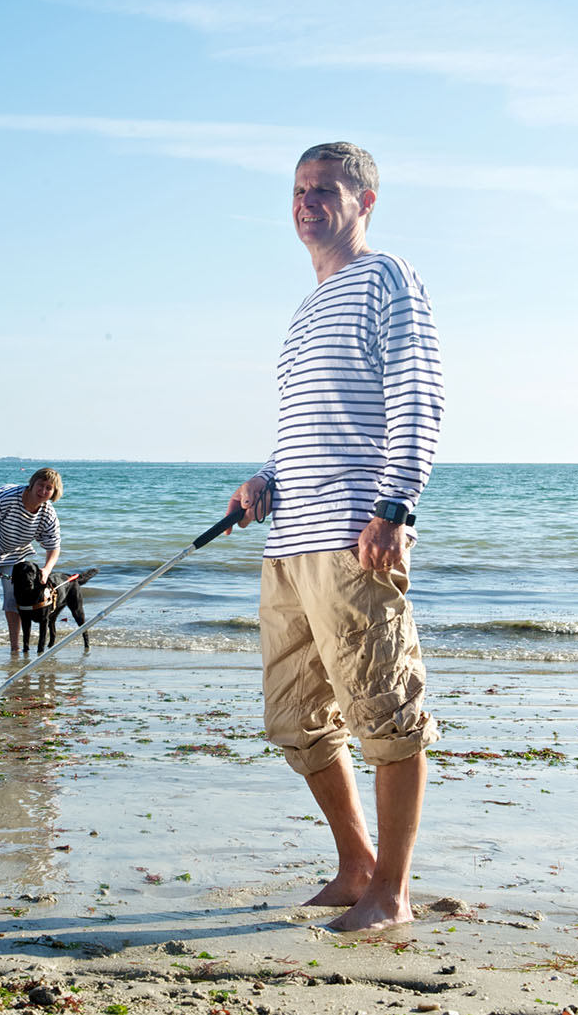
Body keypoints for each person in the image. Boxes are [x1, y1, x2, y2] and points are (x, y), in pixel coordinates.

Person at [226, 142, 445, 932]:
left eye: (324, 189)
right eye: (298, 190)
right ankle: (355, 865)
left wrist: (395, 505)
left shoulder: (388, 278)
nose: (307, 202)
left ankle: (392, 890)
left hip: (356, 538)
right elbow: (308, 429)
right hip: (289, 547)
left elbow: (418, 394)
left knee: (387, 714)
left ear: (366, 201)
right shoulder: (306, 307)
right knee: (296, 720)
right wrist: (266, 479)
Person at [0, 467, 63, 656]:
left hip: (14, 551)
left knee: (14, 596)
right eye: (40, 485)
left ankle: (15, 647)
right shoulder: (7, 497)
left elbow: (54, 545)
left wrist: (47, 570)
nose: (43, 491)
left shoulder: (47, 513)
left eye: (49, 488)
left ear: (54, 493)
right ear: (32, 484)